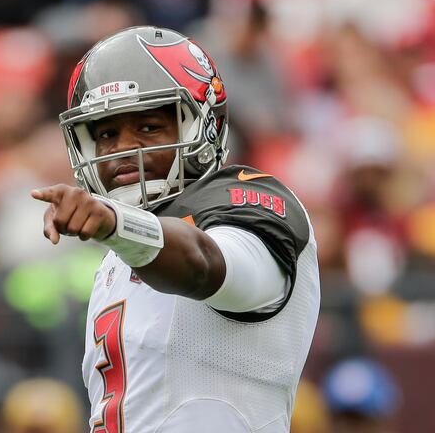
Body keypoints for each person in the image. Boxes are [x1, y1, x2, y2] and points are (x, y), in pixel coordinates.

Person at [31, 26, 320, 432]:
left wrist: (116, 225)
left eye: (148, 127)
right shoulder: (118, 255)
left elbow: (203, 262)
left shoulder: (245, 199)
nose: (122, 150)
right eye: (107, 134)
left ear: (201, 126)